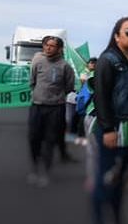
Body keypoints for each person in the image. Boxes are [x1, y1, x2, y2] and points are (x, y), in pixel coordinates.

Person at [92, 17, 128, 224]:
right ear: (117, 36)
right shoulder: (108, 60)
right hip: (114, 130)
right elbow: (101, 96)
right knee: (106, 180)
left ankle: (116, 218)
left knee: (120, 180)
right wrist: (108, 128)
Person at [27, 35, 76, 187]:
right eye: (46, 45)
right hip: (37, 105)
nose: (48, 48)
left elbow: (68, 87)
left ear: (60, 49)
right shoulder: (37, 61)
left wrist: (55, 97)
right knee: (34, 138)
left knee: (50, 140)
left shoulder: (65, 66)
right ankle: (35, 166)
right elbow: (32, 81)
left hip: (56, 108)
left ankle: (45, 172)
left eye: (52, 46)